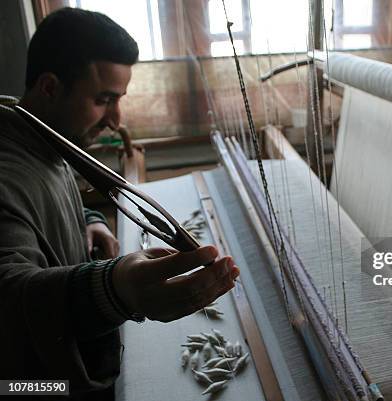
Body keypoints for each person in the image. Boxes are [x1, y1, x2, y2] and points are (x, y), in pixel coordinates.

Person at [0, 7, 239, 399]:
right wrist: (115, 289)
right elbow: (7, 301)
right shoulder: (8, 170)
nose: (116, 119)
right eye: (104, 99)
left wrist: (90, 220)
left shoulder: (42, 140)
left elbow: (45, 210)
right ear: (49, 87)